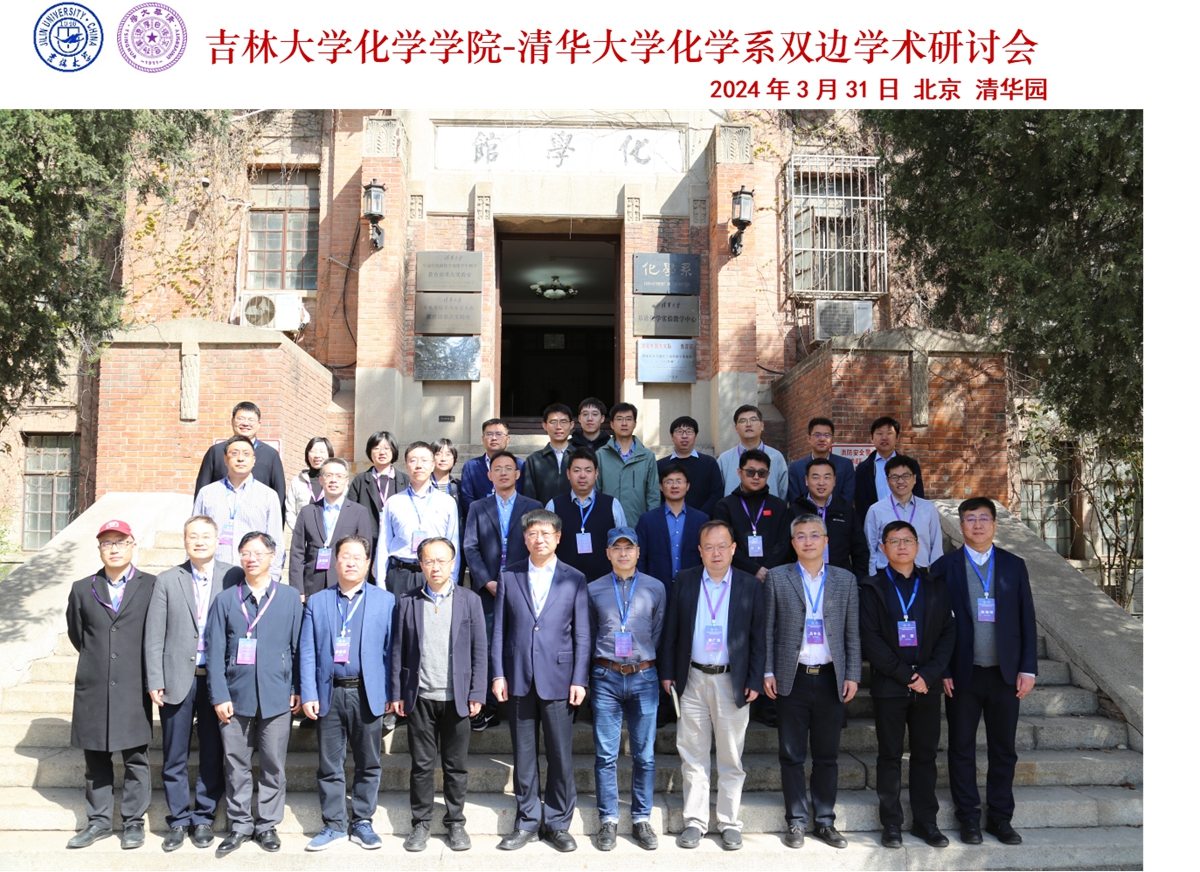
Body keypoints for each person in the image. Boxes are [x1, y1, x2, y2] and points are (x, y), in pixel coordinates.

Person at [934, 498, 1038, 847]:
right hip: (963, 673)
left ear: (994, 524)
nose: (977, 525)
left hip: (1005, 674)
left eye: (983, 518)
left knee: (1003, 749)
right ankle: (968, 818)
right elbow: (936, 624)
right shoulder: (944, 566)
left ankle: (1000, 818)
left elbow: (1026, 618)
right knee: (961, 747)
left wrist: (1028, 668)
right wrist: (944, 668)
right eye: (970, 519)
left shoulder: (1013, 565)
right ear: (961, 525)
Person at [659, 520, 765, 852]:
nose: (716, 553)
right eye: (709, 547)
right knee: (692, 754)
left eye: (722, 546)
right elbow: (672, 629)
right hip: (692, 679)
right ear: (700, 551)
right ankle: (695, 821)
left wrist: (755, 678)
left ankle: (729, 822)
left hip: (732, 681)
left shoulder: (749, 585)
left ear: (733, 549)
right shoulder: (686, 580)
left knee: (731, 757)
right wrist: (668, 672)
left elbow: (759, 637)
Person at [490, 509, 591, 852]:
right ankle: (528, 821)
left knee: (560, 754)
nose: (540, 539)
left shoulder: (574, 578)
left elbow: (582, 635)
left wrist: (579, 679)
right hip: (518, 675)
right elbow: (499, 630)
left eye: (547, 534)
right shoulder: (509, 576)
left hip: (560, 678)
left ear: (558, 538)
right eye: (533, 533)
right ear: (525, 538)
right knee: (524, 754)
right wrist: (498, 673)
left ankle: (559, 823)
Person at [763, 514, 860, 850]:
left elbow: (852, 632)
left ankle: (825, 821)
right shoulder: (777, 577)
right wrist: (767, 671)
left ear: (826, 541)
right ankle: (796, 820)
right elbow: (768, 629)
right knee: (791, 754)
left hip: (832, 677)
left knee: (826, 755)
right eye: (801, 536)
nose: (808, 541)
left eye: (815, 535)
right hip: (792, 678)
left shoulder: (846, 580)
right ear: (793, 543)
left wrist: (853, 674)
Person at [205, 532, 304, 858]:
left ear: (272, 557)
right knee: (236, 764)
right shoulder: (225, 600)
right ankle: (240, 825)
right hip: (235, 696)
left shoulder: (289, 597)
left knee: (273, 764)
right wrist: (219, 695)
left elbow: (298, 647)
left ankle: (267, 825)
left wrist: (296, 689)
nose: (252, 558)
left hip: (277, 695)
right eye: (246, 553)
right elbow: (215, 652)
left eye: (259, 553)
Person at [859, 520, 956, 849]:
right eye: (894, 541)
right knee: (889, 755)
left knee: (925, 755)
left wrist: (928, 675)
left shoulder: (934, 584)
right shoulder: (872, 587)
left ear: (918, 546)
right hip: (890, 686)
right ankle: (891, 823)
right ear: (882, 548)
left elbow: (948, 633)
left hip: (927, 686)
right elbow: (871, 640)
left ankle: (926, 821)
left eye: (907, 540)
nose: (901, 546)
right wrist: (907, 676)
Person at [144, 515, 238, 852]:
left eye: (205, 536)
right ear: (184, 541)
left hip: (217, 680)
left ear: (217, 540)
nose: (199, 541)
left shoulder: (233, 576)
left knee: (213, 752)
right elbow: (154, 634)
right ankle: (179, 820)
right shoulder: (168, 580)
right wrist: (155, 678)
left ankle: (204, 818)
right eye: (193, 536)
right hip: (176, 678)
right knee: (174, 754)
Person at [64, 520, 157, 850]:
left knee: (135, 758)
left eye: (121, 541)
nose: (114, 548)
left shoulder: (151, 586)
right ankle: (99, 822)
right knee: (96, 759)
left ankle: (133, 822)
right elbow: (78, 634)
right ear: (99, 549)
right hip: (95, 686)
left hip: (132, 685)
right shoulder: (82, 588)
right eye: (107, 543)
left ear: (133, 545)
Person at [392, 537, 488, 853]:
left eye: (442, 560)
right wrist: (397, 692)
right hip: (420, 696)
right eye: (429, 561)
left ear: (453, 563)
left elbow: (479, 650)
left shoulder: (469, 600)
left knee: (455, 766)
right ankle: (420, 824)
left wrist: (477, 692)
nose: (436, 567)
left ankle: (455, 822)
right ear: (421, 564)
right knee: (421, 766)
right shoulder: (407, 601)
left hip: (456, 698)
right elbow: (397, 650)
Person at [299, 535, 394, 852]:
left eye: (357, 557)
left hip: (367, 693)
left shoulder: (385, 601)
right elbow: (307, 652)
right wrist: (308, 693)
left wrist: (390, 692)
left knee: (369, 762)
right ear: (335, 561)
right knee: (330, 763)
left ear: (368, 563)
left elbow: (391, 652)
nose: (351, 562)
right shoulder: (317, 601)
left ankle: (363, 821)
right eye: (345, 556)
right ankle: (335, 824)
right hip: (330, 693)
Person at [587, 527, 666, 852]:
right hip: (605, 676)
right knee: (606, 755)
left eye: (628, 547)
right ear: (607, 553)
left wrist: (641, 659)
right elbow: (590, 632)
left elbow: (657, 630)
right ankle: (608, 819)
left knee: (644, 755)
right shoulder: (593, 589)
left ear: (637, 552)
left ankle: (641, 818)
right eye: (616, 548)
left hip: (644, 676)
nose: (623, 553)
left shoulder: (655, 587)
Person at [461, 450, 543, 731]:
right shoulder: (477, 507)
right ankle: (487, 706)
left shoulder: (533, 506)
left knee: (522, 643)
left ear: (518, 474)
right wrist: (487, 581)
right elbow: (470, 547)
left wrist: (520, 582)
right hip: (488, 590)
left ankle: (523, 702)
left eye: (509, 468)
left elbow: (537, 546)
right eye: (498, 469)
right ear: (489, 475)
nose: (504, 473)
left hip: (524, 588)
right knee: (486, 645)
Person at [193, 435, 285, 582]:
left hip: (253, 575)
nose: (240, 458)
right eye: (234, 453)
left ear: (253, 460)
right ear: (225, 459)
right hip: (212, 576)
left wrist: (272, 577)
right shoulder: (207, 493)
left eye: (246, 454)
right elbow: (194, 535)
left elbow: (276, 541)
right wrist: (194, 571)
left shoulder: (268, 496)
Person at [375, 441, 461, 591]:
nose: (419, 465)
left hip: (434, 574)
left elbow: (453, 543)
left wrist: (452, 580)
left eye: (424, 460)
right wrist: (380, 582)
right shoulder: (393, 502)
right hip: (400, 574)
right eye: (413, 460)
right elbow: (384, 544)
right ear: (406, 465)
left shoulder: (447, 502)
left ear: (433, 465)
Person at [289, 458, 375, 601]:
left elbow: (366, 552)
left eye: (339, 476)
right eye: (328, 475)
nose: (333, 480)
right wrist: (297, 589)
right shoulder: (307, 512)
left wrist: (360, 586)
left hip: (347, 584)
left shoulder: (359, 512)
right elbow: (297, 553)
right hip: (313, 584)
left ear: (346, 480)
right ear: (321, 480)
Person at [546, 449, 627, 582]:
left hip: (605, 583)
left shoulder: (612, 504)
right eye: (577, 470)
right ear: (568, 474)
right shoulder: (554, 505)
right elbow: (547, 547)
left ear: (596, 474)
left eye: (588, 471)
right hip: (563, 583)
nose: (582, 475)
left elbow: (623, 545)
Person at [714, 448, 793, 581]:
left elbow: (783, 543)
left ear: (768, 475)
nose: (756, 477)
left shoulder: (778, 506)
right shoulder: (725, 506)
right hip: (737, 577)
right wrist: (754, 569)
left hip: (773, 576)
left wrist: (766, 570)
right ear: (739, 472)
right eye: (750, 472)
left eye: (762, 473)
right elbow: (725, 544)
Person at [194, 401, 287, 511]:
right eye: (240, 419)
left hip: (257, 516)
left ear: (259, 424)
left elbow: (279, 491)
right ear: (232, 421)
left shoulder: (271, 454)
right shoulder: (216, 451)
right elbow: (202, 487)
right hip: (220, 514)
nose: (245, 423)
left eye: (251, 420)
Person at [635, 463, 708, 600]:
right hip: (656, 589)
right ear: (661, 486)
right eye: (669, 481)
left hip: (692, 588)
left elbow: (705, 557)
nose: (674, 486)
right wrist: (643, 586)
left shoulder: (701, 519)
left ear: (687, 486)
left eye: (679, 481)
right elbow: (640, 557)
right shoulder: (647, 520)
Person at [792, 457, 870, 579]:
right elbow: (786, 550)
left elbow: (860, 550)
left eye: (827, 477)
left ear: (834, 481)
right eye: (815, 477)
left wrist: (859, 582)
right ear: (806, 480)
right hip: (803, 578)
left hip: (841, 578)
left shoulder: (846, 510)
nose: (821, 483)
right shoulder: (795, 511)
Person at [864, 455, 943, 574]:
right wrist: (873, 578)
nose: (900, 481)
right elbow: (871, 548)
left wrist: (936, 577)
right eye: (894, 477)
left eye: (906, 476)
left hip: (921, 574)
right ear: (887, 481)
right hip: (886, 575)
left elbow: (936, 547)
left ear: (914, 478)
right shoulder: (876, 510)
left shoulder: (928, 509)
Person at [347, 430, 410, 572]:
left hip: (397, 543)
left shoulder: (405, 481)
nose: (382, 452)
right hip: (367, 542)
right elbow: (350, 514)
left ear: (394, 451)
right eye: (376, 448)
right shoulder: (360, 480)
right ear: (370, 451)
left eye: (387, 448)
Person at [596, 402, 660, 521]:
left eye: (629, 419)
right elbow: (595, 492)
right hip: (608, 523)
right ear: (612, 424)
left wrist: (651, 523)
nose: (624, 423)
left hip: (638, 523)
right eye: (619, 419)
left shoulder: (647, 456)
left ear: (635, 423)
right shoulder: (601, 455)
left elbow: (653, 495)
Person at [854, 415, 926, 513]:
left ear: (897, 437)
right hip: (876, 519)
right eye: (879, 433)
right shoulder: (863, 468)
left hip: (906, 518)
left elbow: (918, 495)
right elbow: (861, 501)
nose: (884, 438)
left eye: (889, 433)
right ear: (871, 438)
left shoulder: (911, 465)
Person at [716, 404, 788, 499]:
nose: (748, 424)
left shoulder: (776, 457)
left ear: (762, 425)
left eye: (753, 420)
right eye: (743, 421)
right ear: (736, 428)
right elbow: (717, 493)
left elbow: (783, 492)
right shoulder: (725, 459)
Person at [658, 415, 724, 516]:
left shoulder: (709, 463)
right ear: (672, 436)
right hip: (669, 519)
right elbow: (657, 496)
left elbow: (717, 493)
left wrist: (699, 517)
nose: (684, 436)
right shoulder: (660, 465)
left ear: (695, 436)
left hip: (704, 520)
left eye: (689, 431)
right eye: (679, 431)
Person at [459, 419, 525, 520]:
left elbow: (524, 495)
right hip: (481, 521)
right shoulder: (470, 466)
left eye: (499, 434)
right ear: (483, 438)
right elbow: (467, 497)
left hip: (513, 519)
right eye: (489, 434)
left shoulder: (520, 465)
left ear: (507, 439)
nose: (494, 438)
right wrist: (483, 517)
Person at [786, 417, 855, 505]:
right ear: (809, 438)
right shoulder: (796, 467)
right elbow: (794, 501)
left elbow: (847, 498)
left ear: (832, 439)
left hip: (838, 513)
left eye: (827, 435)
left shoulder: (845, 465)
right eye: (817, 435)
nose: (822, 439)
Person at [522, 403, 575, 505]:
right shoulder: (534, 460)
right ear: (545, 426)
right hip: (543, 514)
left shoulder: (580, 457)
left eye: (563, 422)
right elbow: (529, 497)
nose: (558, 427)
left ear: (571, 425)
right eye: (553, 422)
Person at [286, 436, 334, 529]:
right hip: (302, 533)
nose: (317, 455)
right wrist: (299, 531)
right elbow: (290, 510)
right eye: (313, 451)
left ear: (329, 454)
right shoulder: (297, 481)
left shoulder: (336, 481)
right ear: (307, 455)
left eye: (322, 451)